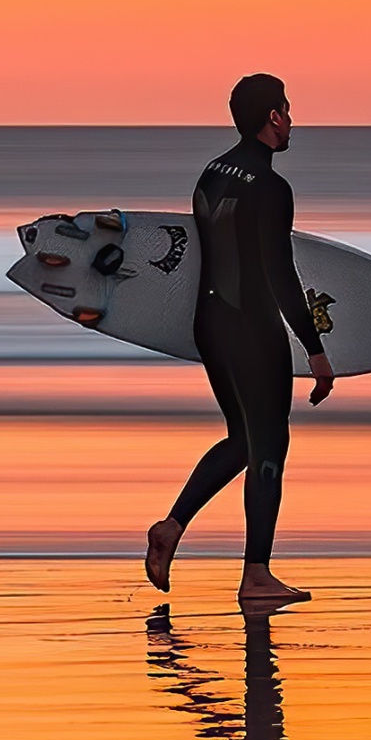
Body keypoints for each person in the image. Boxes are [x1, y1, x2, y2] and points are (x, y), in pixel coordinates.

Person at [145, 75, 334, 610]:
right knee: (270, 443)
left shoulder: (211, 173)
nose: (292, 120)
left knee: (243, 440)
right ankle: (256, 575)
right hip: (252, 327)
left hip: (211, 323)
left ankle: (171, 527)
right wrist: (315, 349)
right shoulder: (272, 188)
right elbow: (278, 271)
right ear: (273, 118)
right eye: (288, 111)